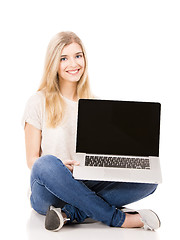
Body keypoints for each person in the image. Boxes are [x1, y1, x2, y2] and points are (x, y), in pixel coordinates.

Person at [22, 31, 161, 232]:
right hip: (49, 191)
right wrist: (60, 165)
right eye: (64, 58)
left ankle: (69, 214)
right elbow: (32, 160)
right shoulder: (38, 101)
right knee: (46, 163)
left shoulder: (96, 105)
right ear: (54, 63)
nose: (73, 64)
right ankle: (118, 219)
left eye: (78, 56)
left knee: (149, 180)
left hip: (85, 184)